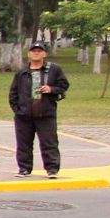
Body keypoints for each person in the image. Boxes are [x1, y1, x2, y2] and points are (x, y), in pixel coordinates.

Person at [10, 42, 69, 178]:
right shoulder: (22, 72)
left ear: (44, 54)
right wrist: (18, 110)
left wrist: (51, 89)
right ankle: (24, 168)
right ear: (29, 54)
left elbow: (63, 85)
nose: (36, 53)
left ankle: (52, 169)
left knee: (49, 142)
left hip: (45, 114)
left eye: (39, 51)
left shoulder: (53, 69)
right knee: (23, 143)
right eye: (33, 51)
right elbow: (13, 93)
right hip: (24, 115)